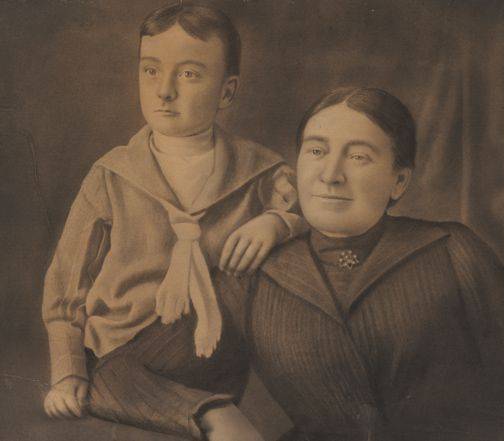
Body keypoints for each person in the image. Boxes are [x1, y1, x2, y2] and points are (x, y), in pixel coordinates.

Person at [215, 86, 504, 440]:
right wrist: (212, 413)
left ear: (398, 182)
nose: (331, 174)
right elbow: (182, 382)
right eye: (317, 151)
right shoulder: (252, 273)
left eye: (359, 157)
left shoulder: (452, 251)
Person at [42, 3, 306, 440]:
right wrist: (68, 372)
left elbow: (314, 214)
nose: (164, 91)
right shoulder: (112, 174)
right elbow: (66, 288)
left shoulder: (259, 169)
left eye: (188, 74)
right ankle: (213, 414)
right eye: (151, 71)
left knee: (251, 275)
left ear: (226, 92)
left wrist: (279, 223)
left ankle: (303, 408)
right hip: (126, 347)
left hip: (215, 345)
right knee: (98, 380)